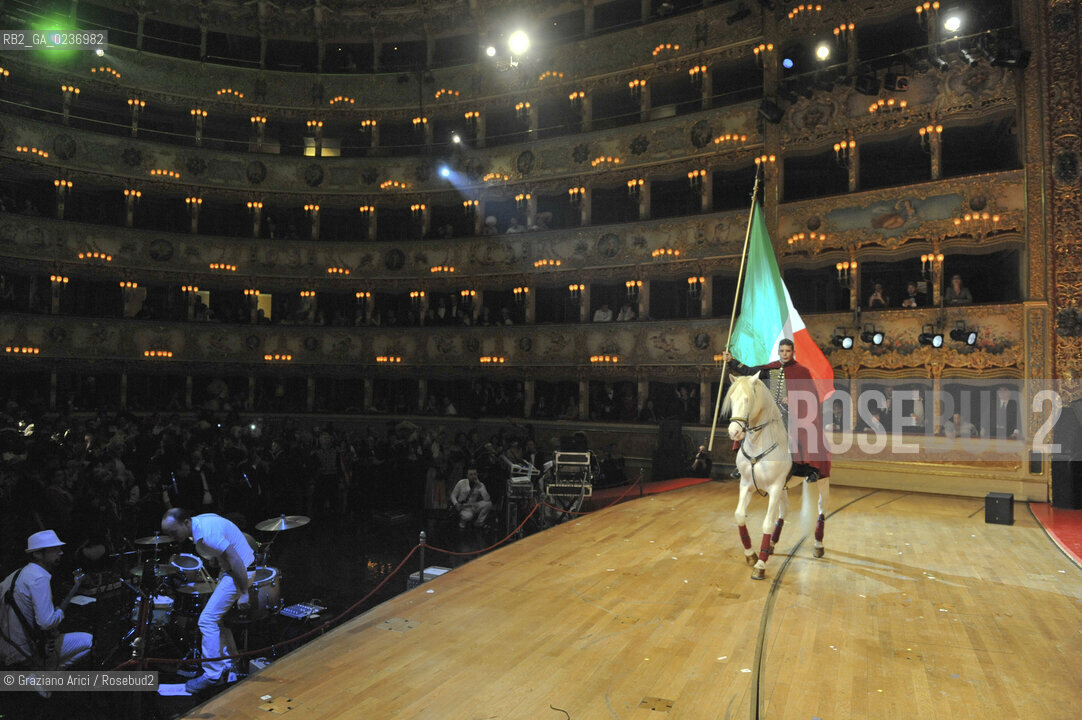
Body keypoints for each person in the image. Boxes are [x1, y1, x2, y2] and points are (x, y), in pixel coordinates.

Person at [160, 508, 254, 694]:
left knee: (207, 620)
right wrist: (217, 559)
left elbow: (235, 559)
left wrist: (244, 592)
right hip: (233, 571)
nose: (172, 537)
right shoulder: (199, 523)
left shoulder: (207, 534)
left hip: (240, 572)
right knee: (216, 619)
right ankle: (230, 665)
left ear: (186, 522)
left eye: (173, 532)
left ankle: (213, 675)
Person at [721, 340, 830, 484]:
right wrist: (731, 361)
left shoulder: (801, 371)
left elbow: (809, 394)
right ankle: (743, 464)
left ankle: (807, 468)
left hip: (791, 411)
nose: (784, 354)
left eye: (788, 351)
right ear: (779, 352)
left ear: (793, 352)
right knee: (747, 425)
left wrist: (792, 397)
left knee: (800, 431)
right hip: (769, 410)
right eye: (782, 351)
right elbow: (749, 371)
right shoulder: (770, 369)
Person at [0, 530, 93, 679]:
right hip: (25, 652)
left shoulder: (17, 574)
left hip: (7, 647)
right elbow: (46, 623)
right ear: (37, 554)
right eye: (55, 549)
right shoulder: (39, 578)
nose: (61, 553)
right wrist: (58, 613)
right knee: (89, 641)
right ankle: (45, 674)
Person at [449, 466, 492, 530]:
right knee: (468, 516)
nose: (473, 476)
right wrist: (456, 504)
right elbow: (453, 495)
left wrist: (480, 486)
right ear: (467, 476)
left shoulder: (480, 484)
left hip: (473, 505)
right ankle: (462, 523)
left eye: (475, 474)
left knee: (488, 504)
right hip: (463, 507)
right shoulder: (461, 483)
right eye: (471, 474)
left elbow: (487, 499)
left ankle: (479, 523)